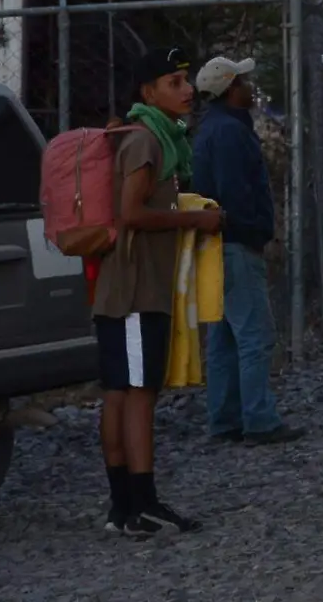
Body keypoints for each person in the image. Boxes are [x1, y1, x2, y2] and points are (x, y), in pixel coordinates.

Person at [96, 46, 221, 536]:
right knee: (137, 394)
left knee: (119, 394)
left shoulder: (146, 136)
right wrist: (198, 220)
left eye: (186, 80)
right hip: (134, 290)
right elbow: (131, 213)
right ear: (148, 93)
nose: (187, 90)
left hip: (122, 289)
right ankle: (141, 504)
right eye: (174, 82)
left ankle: (123, 507)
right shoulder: (147, 141)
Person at [192, 55, 303, 446]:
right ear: (229, 88)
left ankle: (225, 419)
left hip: (217, 247)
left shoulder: (211, 129)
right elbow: (236, 193)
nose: (249, 86)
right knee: (255, 333)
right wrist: (256, 230)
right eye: (242, 80)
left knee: (224, 337)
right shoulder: (231, 133)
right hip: (236, 244)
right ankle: (259, 419)